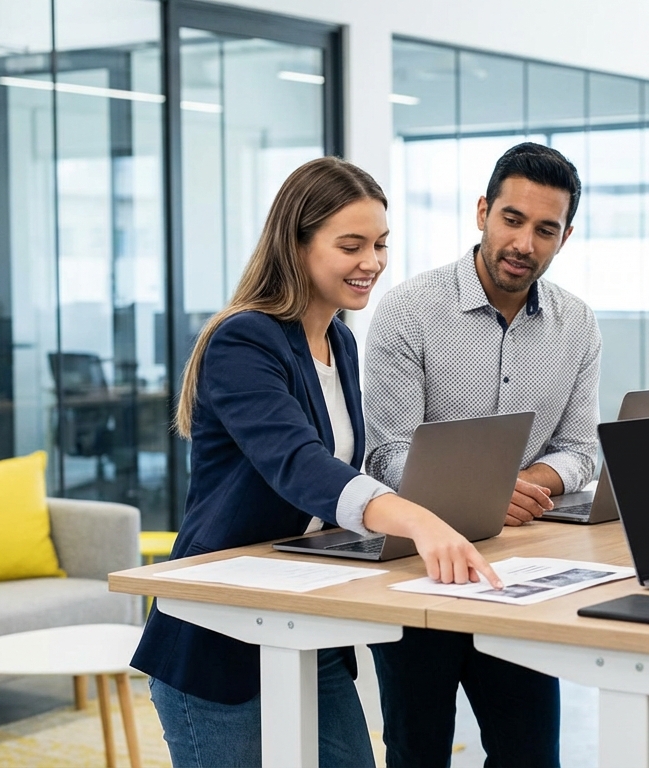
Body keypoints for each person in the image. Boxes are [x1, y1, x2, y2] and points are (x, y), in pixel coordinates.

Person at [130, 157, 502, 768]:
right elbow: (300, 464)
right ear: (296, 246)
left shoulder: (341, 341)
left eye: (381, 244)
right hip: (217, 635)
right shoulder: (243, 340)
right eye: (350, 245)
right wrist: (416, 520)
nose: (373, 263)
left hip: (300, 622)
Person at [361, 141, 601, 767]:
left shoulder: (577, 324)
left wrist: (532, 479)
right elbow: (385, 455)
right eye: (512, 220)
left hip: (519, 575)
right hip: (419, 575)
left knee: (530, 757)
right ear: (483, 213)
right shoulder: (409, 310)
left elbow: (580, 451)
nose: (524, 243)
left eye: (545, 229)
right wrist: (489, 487)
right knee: (418, 755)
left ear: (564, 236)